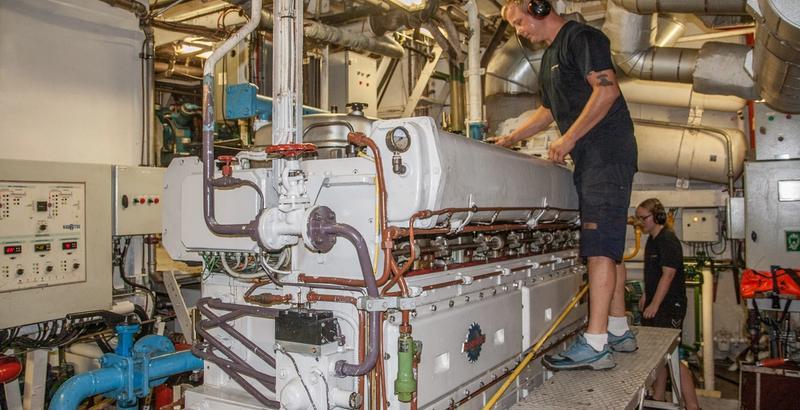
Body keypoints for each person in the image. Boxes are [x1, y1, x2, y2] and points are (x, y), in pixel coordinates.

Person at [496, 0, 638, 370]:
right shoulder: (550, 61)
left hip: (606, 153)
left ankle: (595, 343)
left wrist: (569, 140)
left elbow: (606, 90)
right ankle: (619, 329)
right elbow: (548, 111)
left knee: (598, 249)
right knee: (609, 242)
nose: (519, 30)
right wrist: (511, 138)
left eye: (519, 21)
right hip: (591, 158)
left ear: (538, 8)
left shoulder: (582, 37)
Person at [636, 198, 700, 409]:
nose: (639, 222)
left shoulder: (668, 240)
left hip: (670, 306)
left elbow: (669, 274)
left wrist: (654, 304)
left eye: (643, 217)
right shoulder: (652, 240)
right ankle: (659, 397)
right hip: (656, 304)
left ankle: (692, 406)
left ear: (657, 217)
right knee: (658, 354)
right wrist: (646, 295)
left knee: (672, 356)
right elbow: (653, 274)